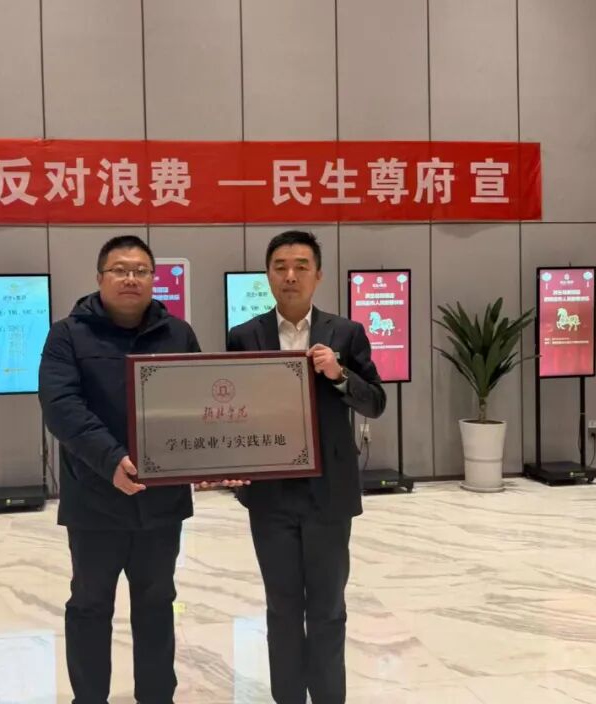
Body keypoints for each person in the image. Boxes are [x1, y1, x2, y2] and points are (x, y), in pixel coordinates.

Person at [39, 235, 201, 704]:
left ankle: (158, 695)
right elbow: (61, 407)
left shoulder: (178, 335)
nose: (131, 278)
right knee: (90, 605)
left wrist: (213, 459)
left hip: (162, 501)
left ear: (154, 279)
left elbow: (199, 403)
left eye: (140, 271)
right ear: (100, 278)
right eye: (120, 270)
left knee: (157, 603)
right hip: (94, 499)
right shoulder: (68, 334)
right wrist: (111, 460)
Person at [226, 230, 386, 704]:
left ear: (319, 275)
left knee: (328, 607)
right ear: (268, 276)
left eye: (301, 266)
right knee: (281, 607)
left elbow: (376, 402)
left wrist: (340, 374)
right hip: (270, 493)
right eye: (280, 267)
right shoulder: (244, 336)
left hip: (329, 492)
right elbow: (231, 412)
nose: (290, 276)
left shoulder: (346, 333)